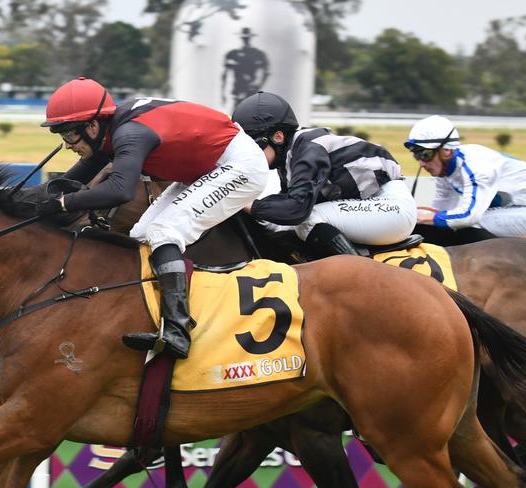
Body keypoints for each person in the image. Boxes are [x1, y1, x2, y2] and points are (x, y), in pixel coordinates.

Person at [38, 77, 269, 359]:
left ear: (92, 125)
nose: (68, 146)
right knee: (141, 234)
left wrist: (62, 204)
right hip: (208, 167)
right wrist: (15, 199)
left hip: (239, 165)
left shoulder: (130, 134)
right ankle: (157, 314)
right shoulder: (108, 135)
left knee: (164, 232)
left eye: (68, 135)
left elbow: (119, 191)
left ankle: (178, 331)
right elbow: (67, 182)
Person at [231, 91, 417, 260]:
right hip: (372, 205)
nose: (250, 157)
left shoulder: (308, 148)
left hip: (391, 208)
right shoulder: (290, 156)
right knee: (281, 226)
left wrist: (247, 204)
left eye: (253, 148)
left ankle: (358, 276)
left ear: (278, 136)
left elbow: (296, 210)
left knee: (309, 220)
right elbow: (283, 209)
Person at [405, 114, 526, 245]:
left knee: (468, 225)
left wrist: (426, 217)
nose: (421, 162)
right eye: (417, 155)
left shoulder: (477, 166)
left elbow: (468, 216)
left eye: (425, 154)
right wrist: (422, 216)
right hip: (508, 211)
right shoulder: (442, 170)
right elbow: (441, 211)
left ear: (446, 151)